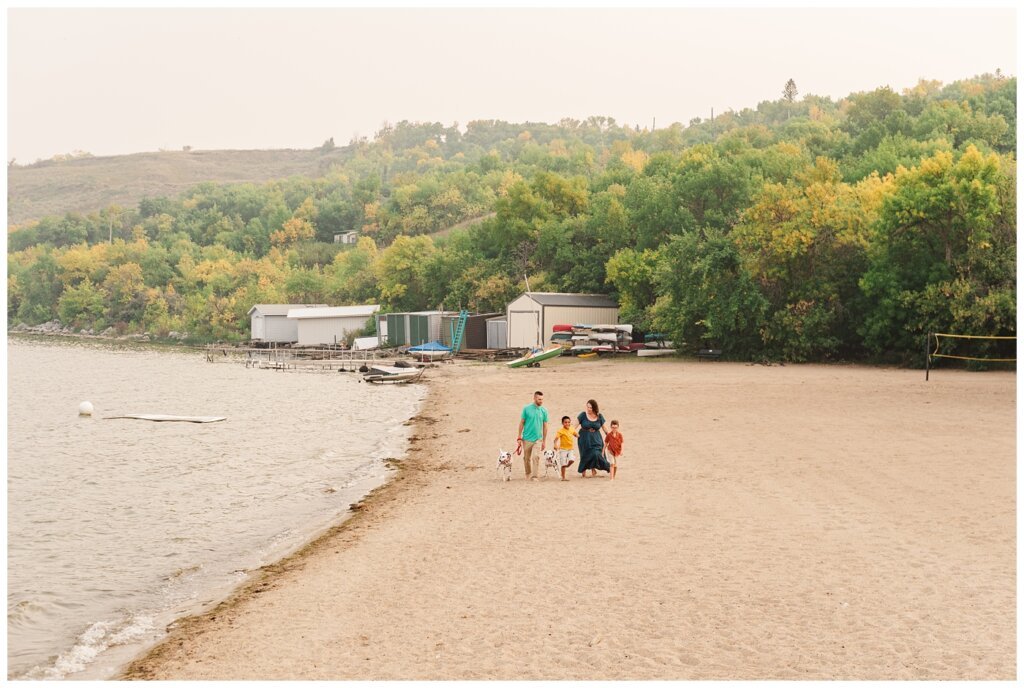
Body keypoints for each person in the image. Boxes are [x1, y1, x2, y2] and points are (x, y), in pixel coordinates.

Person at [517, 390, 548, 481]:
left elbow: (545, 426)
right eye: (539, 399)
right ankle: (528, 473)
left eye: (542, 399)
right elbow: (522, 423)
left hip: (538, 439)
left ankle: (534, 476)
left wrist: (544, 441)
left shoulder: (544, 410)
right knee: (526, 458)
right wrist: (519, 437)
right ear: (534, 398)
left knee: (536, 457)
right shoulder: (526, 409)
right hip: (526, 438)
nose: (541, 401)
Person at [574, 398, 610, 477]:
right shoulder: (583, 415)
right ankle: (584, 472)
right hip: (584, 438)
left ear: (594, 408)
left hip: (596, 438)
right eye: (587, 407)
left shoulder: (599, 416)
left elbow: (604, 427)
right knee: (585, 454)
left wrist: (609, 435)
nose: (588, 409)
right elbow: (574, 426)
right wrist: (574, 433)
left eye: (590, 407)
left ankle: (607, 467)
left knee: (596, 453)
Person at [553, 415, 578, 481]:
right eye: (565, 422)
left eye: (568, 422)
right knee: (563, 463)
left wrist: (577, 435)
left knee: (572, 460)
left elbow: (575, 433)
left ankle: (567, 466)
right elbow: (556, 439)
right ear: (563, 423)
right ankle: (563, 477)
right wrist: (555, 445)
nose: (567, 424)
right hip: (563, 449)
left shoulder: (572, 428)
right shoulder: (560, 431)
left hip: (570, 449)